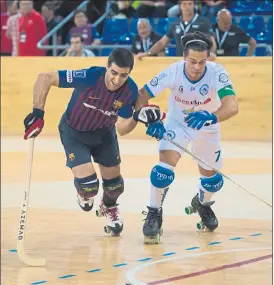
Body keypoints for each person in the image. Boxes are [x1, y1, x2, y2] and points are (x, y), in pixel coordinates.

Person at [23, 48, 164, 236]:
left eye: (123, 75)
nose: (116, 80)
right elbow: (44, 77)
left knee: (115, 187)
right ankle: (84, 194)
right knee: (89, 186)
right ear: (107, 67)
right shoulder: (90, 76)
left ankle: (109, 207)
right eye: (113, 73)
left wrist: (137, 116)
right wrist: (38, 113)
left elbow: (122, 129)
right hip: (74, 132)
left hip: (104, 135)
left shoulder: (129, 91)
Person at [137, 31, 238, 244]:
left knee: (213, 181)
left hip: (207, 125)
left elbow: (232, 106)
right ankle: (154, 212)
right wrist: (148, 117)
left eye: (202, 62)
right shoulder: (173, 71)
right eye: (192, 61)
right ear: (184, 58)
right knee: (162, 170)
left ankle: (202, 203)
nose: (196, 67)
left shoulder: (217, 72)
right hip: (178, 123)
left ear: (208, 59)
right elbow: (141, 94)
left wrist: (211, 116)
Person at [136, 0, 216, 60]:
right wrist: (147, 53)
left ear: (194, 6)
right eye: (184, 4)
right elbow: (162, 42)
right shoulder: (175, 23)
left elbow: (212, 41)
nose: (187, 6)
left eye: (190, 4)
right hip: (181, 62)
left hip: (197, 61)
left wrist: (212, 53)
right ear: (180, 6)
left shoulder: (203, 21)